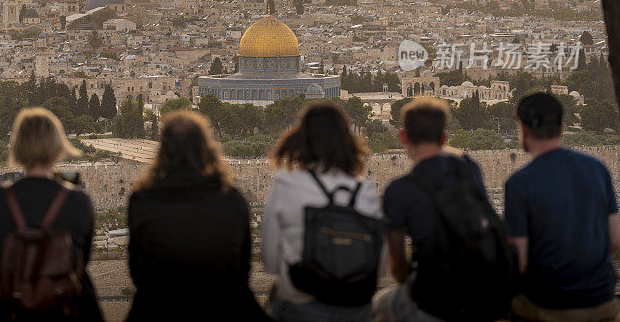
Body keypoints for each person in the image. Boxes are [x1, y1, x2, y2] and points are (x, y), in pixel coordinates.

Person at [372, 97, 506, 322]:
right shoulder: (469, 169)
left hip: (433, 301)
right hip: (480, 291)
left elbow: (396, 266)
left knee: (378, 306)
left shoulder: (398, 191)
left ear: (403, 137)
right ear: (444, 138)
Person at [126, 111, 269, 321]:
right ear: (206, 147)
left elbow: (137, 270)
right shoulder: (231, 198)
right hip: (224, 302)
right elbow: (242, 266)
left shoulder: (142, 200)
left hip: (159, 304)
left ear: (163, 150)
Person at [0, 108, 103, 321]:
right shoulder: (77, 201)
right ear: (57, 145)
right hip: (64, 304)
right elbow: (81, 258)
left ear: (18, 146)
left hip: (9, 303)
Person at [261, 102, 382, 321]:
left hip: (300, 306)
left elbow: (270, 261)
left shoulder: (286, 185)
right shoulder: (366, 192)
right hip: (355, 307)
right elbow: (379, 266)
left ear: (302, 140)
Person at [505, 92, 620, 321]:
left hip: (550, 306)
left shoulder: (519, 184)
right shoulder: (597, 169)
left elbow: (521, 261)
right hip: (602, 301)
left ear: (523, 129)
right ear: (563, 127)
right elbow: (616, 238)